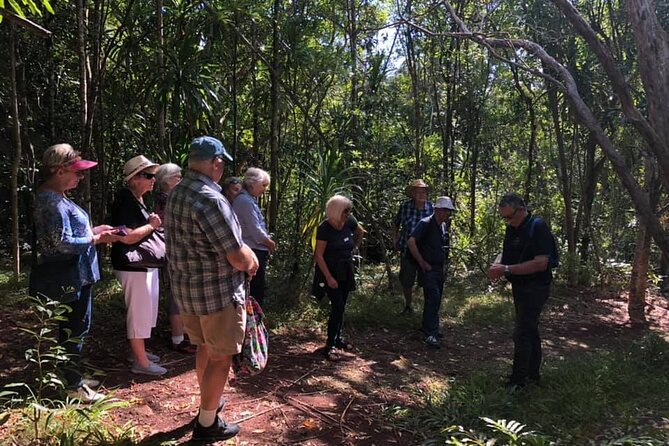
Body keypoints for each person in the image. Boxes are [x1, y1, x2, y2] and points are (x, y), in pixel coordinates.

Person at [164, 136, 258, 442]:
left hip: (187, 292)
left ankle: (210, 403)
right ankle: (206, 424)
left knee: (205, 347)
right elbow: (235, 254)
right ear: (215, 163)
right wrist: (251, 260)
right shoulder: (210, 198)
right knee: (220, 357)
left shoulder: (177, 191)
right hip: (217, 294)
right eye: (222, 163)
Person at [32, 143, 120, 402]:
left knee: (75, 329)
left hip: (77, 275)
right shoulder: (51, 202)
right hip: (68, 277)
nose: (80, 177)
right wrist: (96, 239)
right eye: (76, 172)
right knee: (74, 330)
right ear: (58, 171)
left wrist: (93, 231)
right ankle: (73, 386)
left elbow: (68, 235)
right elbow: (57, 244)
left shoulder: (58, 197)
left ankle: (71, 376)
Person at [487, 193, 553, 389]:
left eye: (509, 217)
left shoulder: (538, 227)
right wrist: (497, 265)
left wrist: (506, 269)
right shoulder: (512, 228)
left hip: (536, 286)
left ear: (522, 210)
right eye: (504, 217)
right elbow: (506, 253)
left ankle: (518, 382)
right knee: (530, 329)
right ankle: (533, 375)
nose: (506, 221)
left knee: (522, 332)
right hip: (520, 286)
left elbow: (541, 263)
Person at [109, 155, 166, 376]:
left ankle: (139, 352)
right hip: (131, 265)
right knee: (139, 311)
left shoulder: (137, 199)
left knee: (147, 310)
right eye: (148, 175)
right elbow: (127, 237)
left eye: (154, 175)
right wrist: (152, 225)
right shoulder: (125, 201)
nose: (153, 179)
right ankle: (140, 362)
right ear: (133, 178)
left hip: (143, 264)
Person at [313, 195, 364, 360]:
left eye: (349, 211)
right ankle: (329, 345)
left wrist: (354, 248)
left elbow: (360, 232)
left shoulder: (349, 222)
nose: (348, 214)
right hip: (329, 271)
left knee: (342, 306)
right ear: (335, 211)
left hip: (346, 270)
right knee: (337, 306)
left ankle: (337, 338)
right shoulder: (325, 228)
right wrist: (328, 278)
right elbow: (319, 255)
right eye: (345, 211)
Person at [154, 163, 196, 354]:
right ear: (167, 180)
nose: (181, 180)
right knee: (177, 296)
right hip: (174, 254)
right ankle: (177, 338)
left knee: (182, 294)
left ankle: (184, 334)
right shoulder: (166, 201)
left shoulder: (172, 199)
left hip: (181, 253)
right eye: (177, 177)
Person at [407, 196, 456, 349]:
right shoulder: (425, 223)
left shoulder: (442, 226)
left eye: (448, 211)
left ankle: (428, 327)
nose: (446, 214)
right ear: (436, 210)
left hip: (438, 269)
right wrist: (421, 261)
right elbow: (411, 241)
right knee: (433, 298)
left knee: (436, 299)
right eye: (443, 210)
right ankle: (431, 334)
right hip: (427, 269)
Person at [232, 168, 275, 307]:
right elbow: (255, 230)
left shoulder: (248, 200)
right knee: (254, 292)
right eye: (263, 185)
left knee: (257, 290)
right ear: (252, 183)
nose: (265, 189)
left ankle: (254, 325)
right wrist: (269, 243)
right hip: (251, 251)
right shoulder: (244, 201)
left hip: (255, 250)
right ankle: (252, 325)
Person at [392, 179, 434, 314]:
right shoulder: (405, 207)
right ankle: (408, 305)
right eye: (418, 191)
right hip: (407, 249)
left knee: (427, 280)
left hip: (425, 251)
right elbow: (396, 223)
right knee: (406, 280)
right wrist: (395, 238)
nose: (421, 194)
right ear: (413, 193)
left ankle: (427, 309)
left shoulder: (432, 208)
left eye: (423, 191)